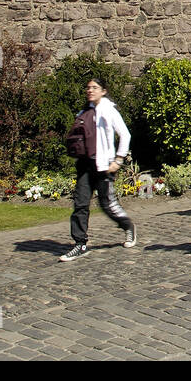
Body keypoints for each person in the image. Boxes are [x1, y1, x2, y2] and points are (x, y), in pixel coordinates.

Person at [60, 78, 137, 262]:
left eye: (94, 88)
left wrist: (118, 159)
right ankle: (80, 244)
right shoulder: (84, 112)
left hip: (105, 166)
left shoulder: (109, 110)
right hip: (85, 165)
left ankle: (128, 226)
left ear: (103, 91)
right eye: (88, 87)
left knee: (107, 205)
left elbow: (125, 134)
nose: (90, 90)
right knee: (80, 203)